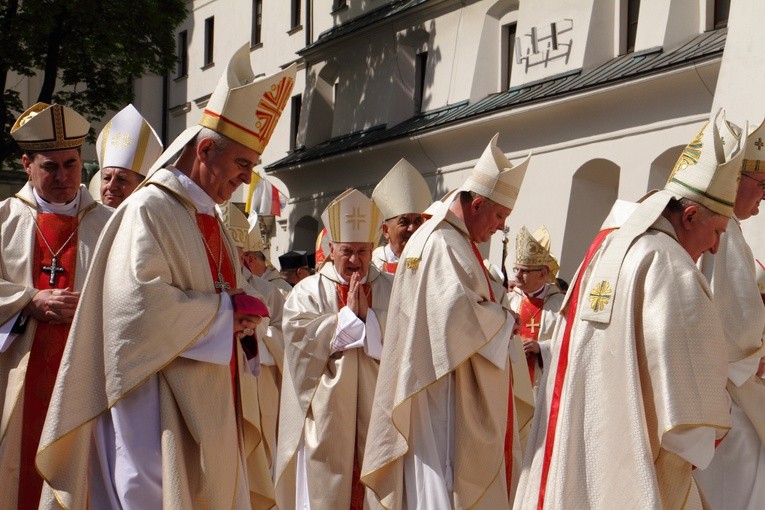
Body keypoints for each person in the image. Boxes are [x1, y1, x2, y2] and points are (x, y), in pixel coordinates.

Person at [36, 44, 295, 508]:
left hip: (213, 395)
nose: (244, 179)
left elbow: (233, 290)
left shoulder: (210, 217)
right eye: (241, 165)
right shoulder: (149, 208)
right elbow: (134, 308)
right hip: (154, 404)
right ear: (205, 150)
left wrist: (244, 318)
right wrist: (223, 314)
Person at [514, 114, 739, 509]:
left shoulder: (608, 246)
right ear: (688, 217)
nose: (717, 246)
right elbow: (691, 420)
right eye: (717, 231)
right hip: (632, 458)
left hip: (574, 436)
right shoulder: (670, 265)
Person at [362, 133, 528, 509]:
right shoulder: (441, 242)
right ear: (478, 204)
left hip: (439, 387)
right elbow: (455, 315)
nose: (500, 226)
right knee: (441, 486)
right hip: (441, 395)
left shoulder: (450, 240)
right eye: (500, 215)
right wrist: (505, 321)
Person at [0, 102, 112, 509]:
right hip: (16, 374)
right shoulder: (5, 219)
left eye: (71, 163)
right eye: (51, 167)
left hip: (87, 371)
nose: (64, 176)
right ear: (27, 164)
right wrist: (28, 299)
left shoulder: (109, 222)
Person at [275, 189, 393, 509]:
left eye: (362, 251)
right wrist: (347, 320)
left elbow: (406, 341)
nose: (355, 260)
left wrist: (370, 322)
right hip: (326, 416)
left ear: (372, 249)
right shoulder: (308, 292)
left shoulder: (391, 289)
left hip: (378, 409)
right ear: (332, 249)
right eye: (347, 251)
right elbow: (298, 340)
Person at [694, 119, 765, 509]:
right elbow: (734, 329)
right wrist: (753, 359)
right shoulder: (722, 232)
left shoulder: (729, 231)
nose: (764, 198)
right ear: (736, 180)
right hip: (726, 395)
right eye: (762, 185)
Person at [221, 201, 286, 478]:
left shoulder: (266, 291)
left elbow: (287, 338)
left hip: (257, 390)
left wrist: (258, 333)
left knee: (254, 470)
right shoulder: (201, 286)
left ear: (244, 253)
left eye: (234, 251)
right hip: (217, 386)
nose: (227, 257)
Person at [507, 226, 564, 392]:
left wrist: (542, 348)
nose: (516, 275)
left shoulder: (560, 305)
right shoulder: (508, 301)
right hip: (509, 381)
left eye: (524, 271)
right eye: (516, 269)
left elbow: (570, 343)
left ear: (542, 273)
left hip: (544, 385)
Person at [94, 103, 163, 207]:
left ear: (142, 185)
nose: (111, 186)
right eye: (107, 178)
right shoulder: (87, 221)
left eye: (122, 179)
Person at [371, 158, 432, 274]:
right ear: (386, 231)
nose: (412, 228)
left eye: (418, 221)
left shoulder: (429, 259)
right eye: (404, 222)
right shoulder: (373, 266)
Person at [243, 226, 293, 297]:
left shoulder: (283, 289)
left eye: (242, 258)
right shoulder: (246, 284)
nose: (241, 264)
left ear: (251, 259)